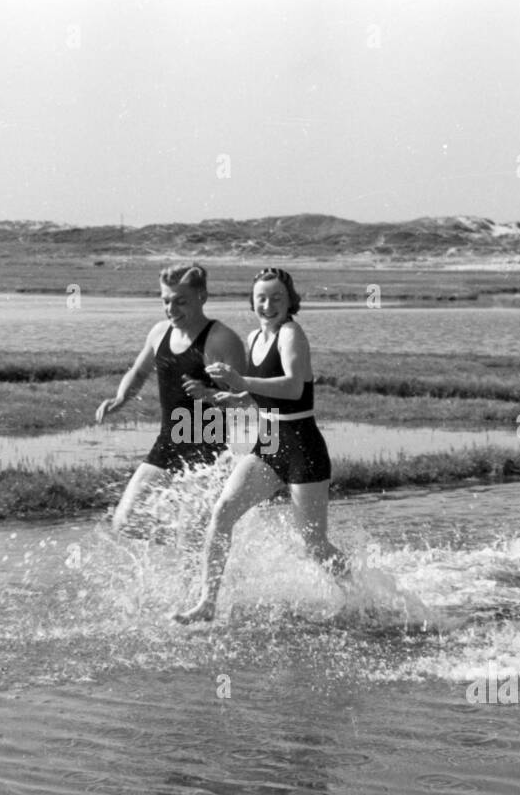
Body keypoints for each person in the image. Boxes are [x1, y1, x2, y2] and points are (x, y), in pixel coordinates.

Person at [173, 267, 347, 623]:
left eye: (276, 298)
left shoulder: (291, 334)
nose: (268, 305)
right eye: (261, 299)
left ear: (290, 301)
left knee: (314, 545)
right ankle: (207, 603)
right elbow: (254, 399)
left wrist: (240, 379)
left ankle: (359, 595)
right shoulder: (253, 339)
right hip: (267, 445)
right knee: (222, 513)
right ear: (252, 302)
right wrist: (216, 396)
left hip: (302, 448)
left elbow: (294, 388)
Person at [96, 264, 246, 534]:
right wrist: (120, 398)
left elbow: (245, 401)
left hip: (208, 450)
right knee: (124, 523)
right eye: (166, 301)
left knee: (192, 536)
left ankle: (199, 549)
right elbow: (139, 371)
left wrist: (210, 394)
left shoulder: (222, 340)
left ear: (202, 297)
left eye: (180, 301)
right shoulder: (159, 333)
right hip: (168, 443)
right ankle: (197, 545)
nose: (171, 309)